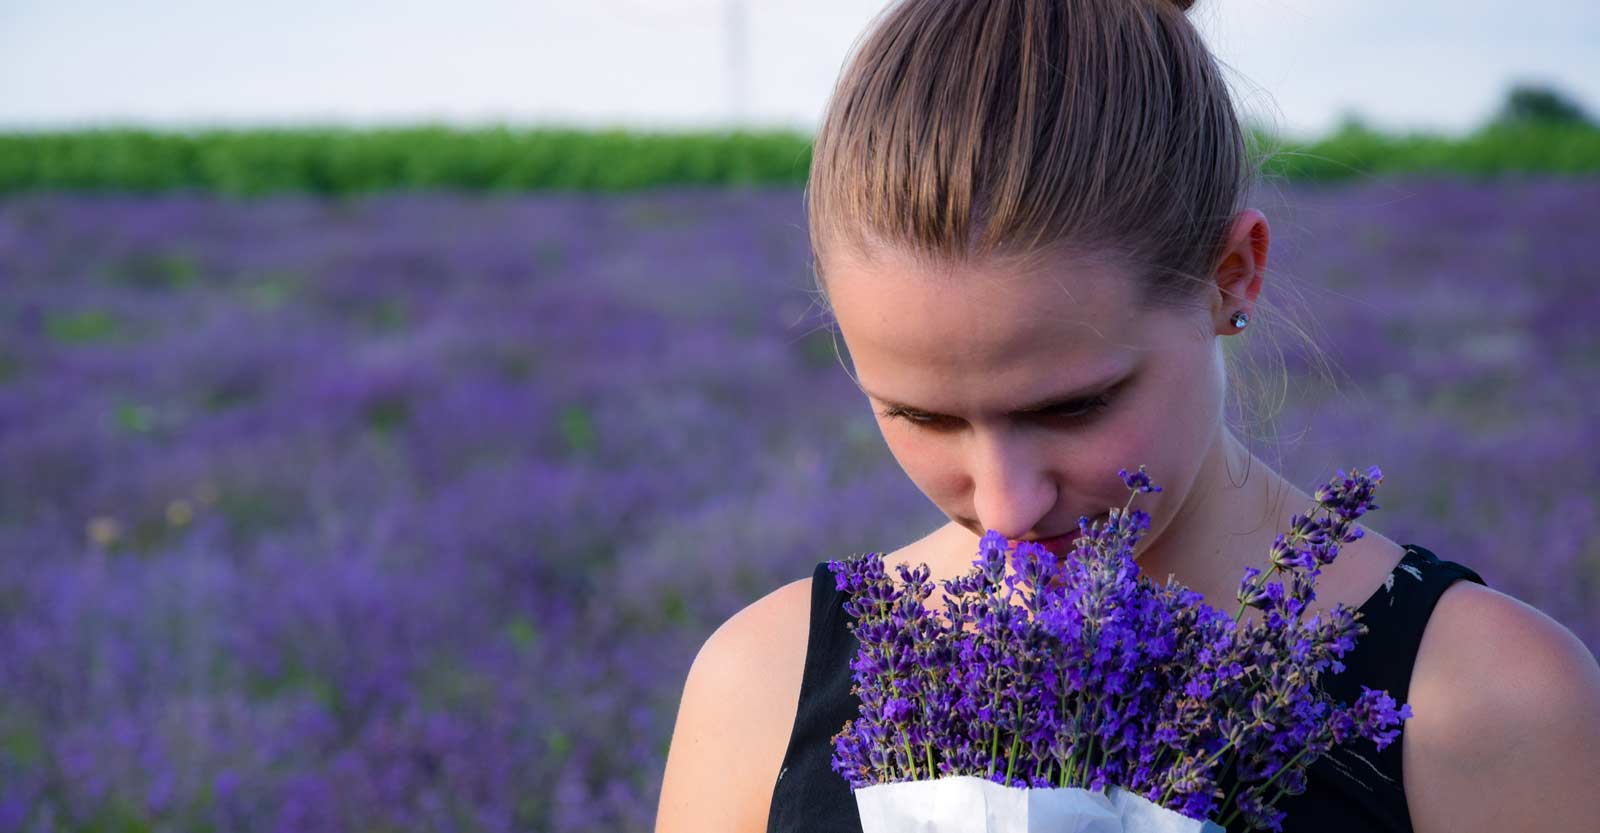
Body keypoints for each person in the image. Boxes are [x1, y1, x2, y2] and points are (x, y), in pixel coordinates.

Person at [654, 1, 1600, 831]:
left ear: (1233, 277)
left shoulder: (1491, 705)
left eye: (1073, 405)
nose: (1008, 505)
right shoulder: (762, 689)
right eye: (923, 416)